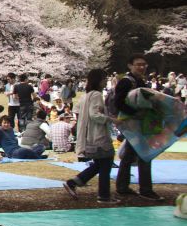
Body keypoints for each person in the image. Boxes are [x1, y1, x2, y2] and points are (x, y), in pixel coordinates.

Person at [64, 69, 119, 203]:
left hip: (89, 135)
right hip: (98, 136)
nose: (106, 81)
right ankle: (104, 195)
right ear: (99, 80)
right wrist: (110, 119)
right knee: (105, 164)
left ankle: (74, 182)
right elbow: (95, 115)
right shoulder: (96, 95)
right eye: (104, 78)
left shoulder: (86, 95)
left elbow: (77, 110)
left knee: (100, 164)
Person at [113, 54, 161, 200]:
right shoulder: (126, 82)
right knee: (144, 155)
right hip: (133, 123)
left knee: (129, 155)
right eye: (138, 64)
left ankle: (122, 187)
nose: (142, 67)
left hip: (137, 123)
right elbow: (118, 102)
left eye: (144, 64)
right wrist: (135, 113)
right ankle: (145, 189)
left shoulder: (140, 81)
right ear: (130, 65)